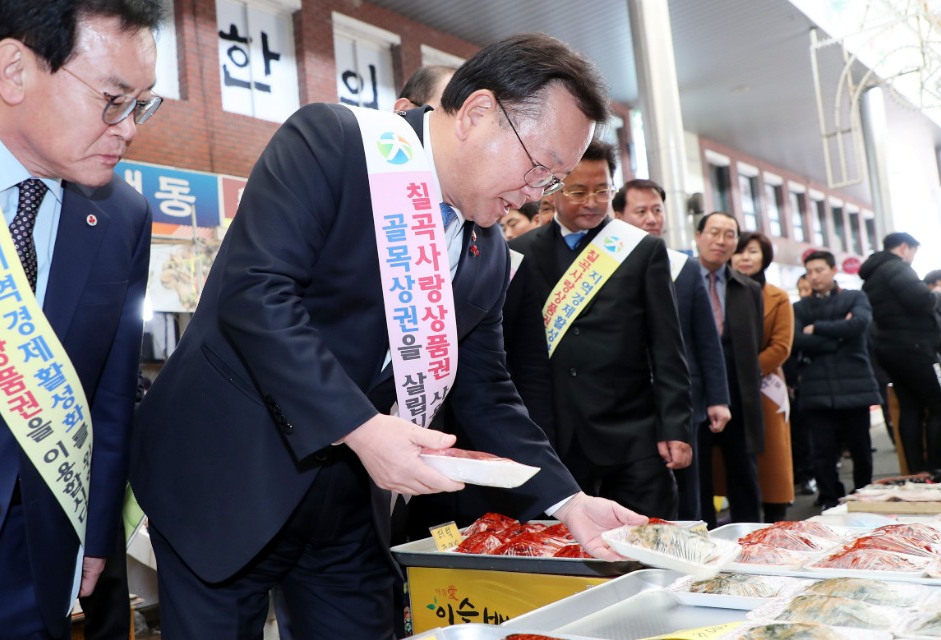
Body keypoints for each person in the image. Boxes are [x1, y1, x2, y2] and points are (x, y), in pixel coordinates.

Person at [131, 33, 647, 639]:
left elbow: (485, 388)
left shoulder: (486, 249)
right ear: (478, 112)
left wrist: (568, 502)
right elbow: (256, 293)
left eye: (553, 180)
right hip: (224, 476)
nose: (537, 194)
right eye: (539, 167)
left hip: (352, 501)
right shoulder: (336, 143)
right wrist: (363, 427)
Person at [0, 1, 162, 637]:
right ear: (14, 71)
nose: (129, 128)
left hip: (37, 551)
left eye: (142, 103)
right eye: (113, 99)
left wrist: (94, 532)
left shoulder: (123, 218)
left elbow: (110, 395)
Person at [507, 141, 693, 520]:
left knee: (647, 542)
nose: (592, 201)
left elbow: (667, 347)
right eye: (578, 191)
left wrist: (675, 426)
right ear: (552, 188)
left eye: (602, 190)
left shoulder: (641, 250)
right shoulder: (519, 253)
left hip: (632, 433)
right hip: (553, 436)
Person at [612, 179, 730, 521]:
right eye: (641, 211)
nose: (651, 219)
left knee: (686, 496)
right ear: (618, 215)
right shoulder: (601, 269)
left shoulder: (684, 266)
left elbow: (706, 340)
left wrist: (717, 398)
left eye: (657, 210)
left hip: (679, 401)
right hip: (625, 405)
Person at [793, 250, 882, 510]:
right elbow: (797, 340)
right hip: (816, 390)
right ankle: (830, 499)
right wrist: (840, 336)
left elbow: (860, 324)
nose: (814, 276)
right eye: (810, 272)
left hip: (856, 386)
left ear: (833, 270)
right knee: (822, 452)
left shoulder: (855, 297)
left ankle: (864, 494)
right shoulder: (799, 307)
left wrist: (817, 328)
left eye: (820, 270)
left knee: (861, 449)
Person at [693, 212, 764, 529]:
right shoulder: (676, 279)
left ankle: (751, 537)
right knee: (697, 474)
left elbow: (755, 339)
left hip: (738, 390)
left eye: (730, 234)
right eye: (714, 233)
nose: (721, 241)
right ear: (698, 236)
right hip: (694, 391)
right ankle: (701, 537)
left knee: (744, 471)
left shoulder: (747, 288)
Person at [860, 232, 941, 472]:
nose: (913, 258)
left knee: (910, 407)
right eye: (914, 252)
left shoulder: (873, 275)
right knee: (938, 404)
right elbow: (922, 300)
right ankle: (935, 467)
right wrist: (936, 294)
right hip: (914, 347)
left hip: (890, 348)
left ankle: (915, 470)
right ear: (905, 247)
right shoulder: (896, 268)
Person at [730, 231, 795, 522]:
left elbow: (781, 347)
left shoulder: (778, 296)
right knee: (734, 467)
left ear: (765, 257)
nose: (745, 257)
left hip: (764, 386)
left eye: (753, 251)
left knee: (772, 463)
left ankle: (776, 522)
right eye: (740, 251)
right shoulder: (719, 292)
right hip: (727, 388)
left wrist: (745, 371)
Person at [786, 273, 817, 496]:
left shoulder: (819, 309)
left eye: (808, 288)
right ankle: (803, 475)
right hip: (795, 381)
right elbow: (792, 343)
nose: (805, 293)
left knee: (809, 434)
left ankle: (809, 475)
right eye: (802, 289)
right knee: (799, 434)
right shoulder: (794, 310)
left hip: (814, 380)